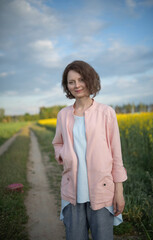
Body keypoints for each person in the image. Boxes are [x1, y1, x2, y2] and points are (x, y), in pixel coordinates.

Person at [52, 60, 127, 240]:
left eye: (81, 79)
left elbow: (116, 155)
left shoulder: (106, 112)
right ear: (67, 86)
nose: (77, 85)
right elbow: (58, 143)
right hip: (72, 191)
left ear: (90, 80)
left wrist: (119, 192)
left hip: (102, 190)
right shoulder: (63, 115)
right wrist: (64, 155)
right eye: (71, 82)